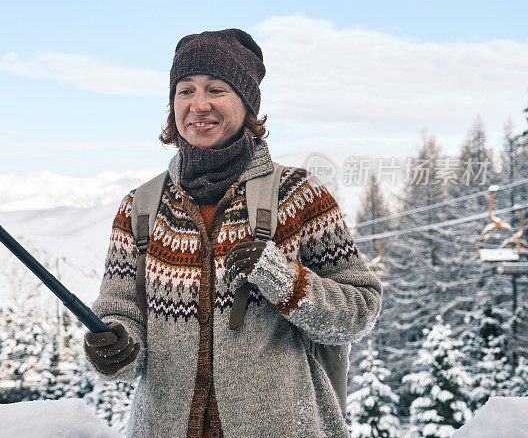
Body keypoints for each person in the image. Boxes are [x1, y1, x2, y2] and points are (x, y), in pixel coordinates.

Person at [84, 28, 382, 438]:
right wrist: (116, 347)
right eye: (185, 90)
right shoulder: (140, 208)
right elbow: (122, 315)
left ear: (247, 105)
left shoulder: (297, 195)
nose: (198, 104)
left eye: (216, 89)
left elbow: (359, 309)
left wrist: (281, 278)